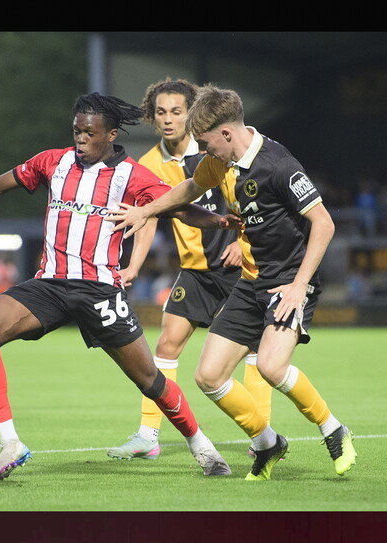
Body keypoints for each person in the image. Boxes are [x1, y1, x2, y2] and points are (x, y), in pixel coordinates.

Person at [0, 93, 242, 481]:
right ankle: (10, 441)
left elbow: (177, 207)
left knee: (150, 380)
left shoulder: (132, 175)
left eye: (90, 133)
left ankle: (201, 446)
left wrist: (217, 221)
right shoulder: (53, 162)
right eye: (76, 131)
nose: (81, 139)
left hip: (99, 291)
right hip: (50, 285)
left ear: (111, 135)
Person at [107, 85, 358, 479]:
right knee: (208, 376)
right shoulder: (221, 162)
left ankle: (334, 430)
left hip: (289, 282)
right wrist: (147, 211)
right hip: (250, 282)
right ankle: (268, 442)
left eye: (206, 144)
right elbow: (190, 188)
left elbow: (323, 223)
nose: (203, 152)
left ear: (226, 133)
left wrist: (298, 285)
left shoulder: (279, 166)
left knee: (273, 368)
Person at [107, 78, 272, 461]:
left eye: (177, 112)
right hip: (196, 270)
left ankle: (261, 435)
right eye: (161, 112)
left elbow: (251, 198)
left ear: (191, 113)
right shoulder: (148, 164)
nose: (168, 120)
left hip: (238, 265)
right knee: (166, 344)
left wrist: (241, 242)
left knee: (252, 350)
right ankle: (149, 435)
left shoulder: (216, 149)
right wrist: (133, 265)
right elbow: (149, 216)